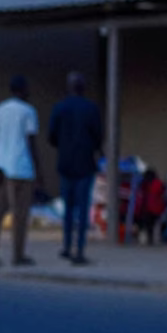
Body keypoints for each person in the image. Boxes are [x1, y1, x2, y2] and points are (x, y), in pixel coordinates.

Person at [48, 71, 102, 265]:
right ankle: (79, 249)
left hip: (66, 163)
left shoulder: (60, 108)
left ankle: (66, 246)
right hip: (85, 164)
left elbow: (51, 136)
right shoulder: (91, 109)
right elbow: (98, 137)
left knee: (68, 210)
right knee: (82, 208)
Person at [0, 74, 40, 266]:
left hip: (1, 167)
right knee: (20, 214)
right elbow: (31, 141)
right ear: (23, 90)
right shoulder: (28, 111)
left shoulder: (0, 109)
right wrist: (39, 171)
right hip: (21, 169)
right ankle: (18, 255)